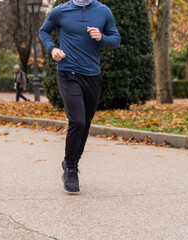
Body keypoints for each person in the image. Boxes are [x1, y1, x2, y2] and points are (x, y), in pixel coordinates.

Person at [39, 0, 121, 193]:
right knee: (77, 121)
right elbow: (44, 31)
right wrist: (53, 48)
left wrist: (102, 37)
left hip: (92, 76)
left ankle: (70, 161)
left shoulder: (103, 11)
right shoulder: (60, 11)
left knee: (85, 122)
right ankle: (71, 170)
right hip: (68, 73)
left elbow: (116, 39)